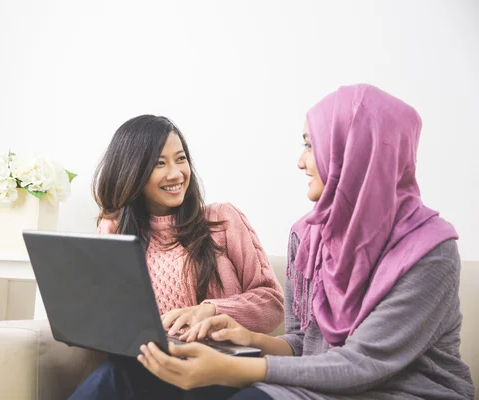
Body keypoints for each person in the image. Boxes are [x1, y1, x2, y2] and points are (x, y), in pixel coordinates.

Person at [137, 84, 475, 399]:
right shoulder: (308, 236)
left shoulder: (431, 251)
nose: (300, 162)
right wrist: (252, 340)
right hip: (321, 389)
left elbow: (363, 363)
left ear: (357, 151)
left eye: (311, 145)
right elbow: (307, 342)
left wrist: (232, 368)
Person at [68, 115, 284, 399]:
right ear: (132, 171)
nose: (176, 173)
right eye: (160, 163)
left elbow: (273, 301)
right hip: (149, 366)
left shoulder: (222, 220)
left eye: (180, 159)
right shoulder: (115, 231)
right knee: (112, 374)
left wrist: (211, 310)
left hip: (221, 366)